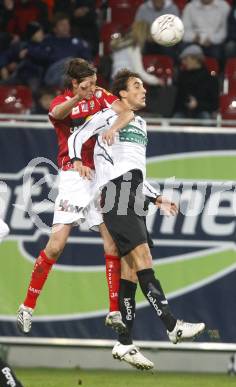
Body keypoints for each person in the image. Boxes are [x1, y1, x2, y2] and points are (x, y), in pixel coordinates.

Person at [68, 69, 206, 361]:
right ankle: (172, 325)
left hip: (134, 191)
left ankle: (124, 342)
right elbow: (76, 137)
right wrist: (78, 160)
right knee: (143, 260)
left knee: (131, 269)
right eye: (136, 85)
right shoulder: (108, 114)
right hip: (116, 193)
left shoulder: (140, 123)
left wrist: (156, 196)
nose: (144, 90)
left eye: (143, 85)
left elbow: (135, 170)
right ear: (122, 94)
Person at [16, 58, 134, 337]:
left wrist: (113, 127)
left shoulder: (101, 96)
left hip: (100, 176)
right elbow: (56, 112)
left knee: (112, 243)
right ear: (74, 83)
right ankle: (27, 306)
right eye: (87, 84)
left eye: (94, 82)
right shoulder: (64, 101)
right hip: (73, 176)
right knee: (56, 246)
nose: (93, 87)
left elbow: (126, 111)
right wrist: (77, 99)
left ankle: (114, 311)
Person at [173, 44, 219, 119]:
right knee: (175, 118)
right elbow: (177, 99)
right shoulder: (182, 76)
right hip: (183, 111)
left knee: (206, 118)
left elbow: (214, 104)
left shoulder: (209, 79)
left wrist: (198, 104)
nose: (183, 62)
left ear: (195, 59)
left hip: (202, 111)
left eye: (186, 59)